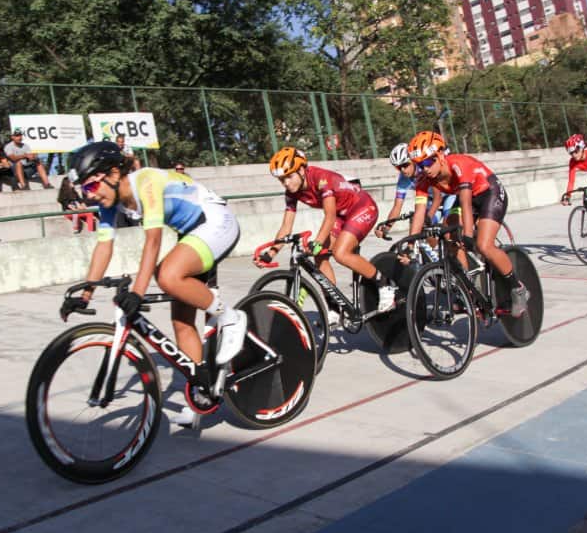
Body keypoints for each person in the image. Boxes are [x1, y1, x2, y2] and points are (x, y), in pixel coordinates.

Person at [68, 141, 245, 424]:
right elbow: (104, 247)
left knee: (167, 276)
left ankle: (230, 317)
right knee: (182, 323)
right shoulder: (110, 202)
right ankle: (203, 393)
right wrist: (85, 293)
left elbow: (153, 242)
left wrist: (137, 293)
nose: (90, 195)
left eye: (90, 186)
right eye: (84, 191)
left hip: (216, 222)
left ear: (113, 173)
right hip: (192, 234)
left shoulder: (146, 182)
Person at [255, 147, 394, 322]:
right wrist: (270, 253)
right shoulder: (291, 193)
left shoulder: (321, 179)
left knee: (340, 253)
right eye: (281, 180)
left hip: (362, 207)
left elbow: (330, 215)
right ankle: (334, 306)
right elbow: (286, 226)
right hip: (342, 215)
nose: (286, 183)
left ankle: (385, 284)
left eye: (289, 176)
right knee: (319, 256)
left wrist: (318, 241)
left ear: (301, 169)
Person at [406, 131, 528, 317]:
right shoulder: (424, 179)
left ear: (439, 155)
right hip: (467, 198)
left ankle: (518, 288)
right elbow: (419, 212)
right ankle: (468, 285)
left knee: (483, 245)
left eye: (428, 162)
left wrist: (468, 236)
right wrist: (410, 244)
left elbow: (465, 204)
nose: (425, 169)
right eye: (419, 165)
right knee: (448, 234)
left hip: (489, 193)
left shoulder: (458, 165)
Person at [375, 142, 456, 241]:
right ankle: (435, 254)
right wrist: (386, 228)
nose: (403, 170)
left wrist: (428, 218)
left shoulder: (425, 169)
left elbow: (437, 198)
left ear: (413, 161)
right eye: (399, 167)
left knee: (448, 232)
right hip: (431, 200)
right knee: (423, 230)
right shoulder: (403, 179)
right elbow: (397, 207)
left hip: (448, 196)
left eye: (405, 165)